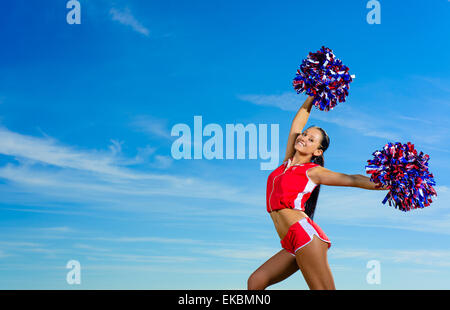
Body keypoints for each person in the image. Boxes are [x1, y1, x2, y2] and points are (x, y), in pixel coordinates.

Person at [247, 95, 388, 290]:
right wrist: (312, 95)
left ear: (318, 151)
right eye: (304, 134)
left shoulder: (313, 172)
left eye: (310, 139)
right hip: (289, 242)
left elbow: (352, 179)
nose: (303, 138)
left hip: (304, 236)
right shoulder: (286, 164)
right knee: (256, 281)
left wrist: (389, 183)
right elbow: (298, 122)